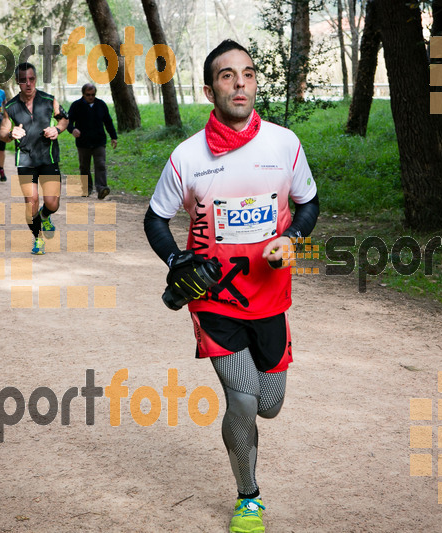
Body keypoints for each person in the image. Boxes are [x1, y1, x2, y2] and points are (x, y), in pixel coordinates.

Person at [144, 40, 319, 533]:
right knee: (242, 403)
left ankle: (249, 446)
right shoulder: (187, 157)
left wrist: (293, 237)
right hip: (213, 301)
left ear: (255, 83)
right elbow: (155, 218)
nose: (239, 83)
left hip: (271, 299)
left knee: (269, 405)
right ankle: (249, 497)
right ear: (209, 89)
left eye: (247, 73)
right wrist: (178, 261)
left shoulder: (285, 144)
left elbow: (308, 203)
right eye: (226, 75)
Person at [0, 63, 68, 255]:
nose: (28, 84)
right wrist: (11, 133)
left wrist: (57, 129)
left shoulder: (49, 100)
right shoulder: (10, 107)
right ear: (18, 82)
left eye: (31, 79)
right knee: (31, 202)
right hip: (26, 161)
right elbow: (2, 133)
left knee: (53, 203)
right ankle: (37, 239)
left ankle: (45, 216)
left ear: (35, 79)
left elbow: (64, 118)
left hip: (48, 158)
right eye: (23, 80)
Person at [67, 83, 118, 199]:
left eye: (93, 95)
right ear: (83, 94)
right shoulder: (76, 105)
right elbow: (68, 121)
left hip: (99, 141)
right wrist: (72, 129)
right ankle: (86, 189)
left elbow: (108, 122)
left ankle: (101, 188)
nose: (90, 97)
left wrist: (113, 137)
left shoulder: (101, 105)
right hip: (83, 142)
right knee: (84, 166)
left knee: (100, 164)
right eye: (88, 95)